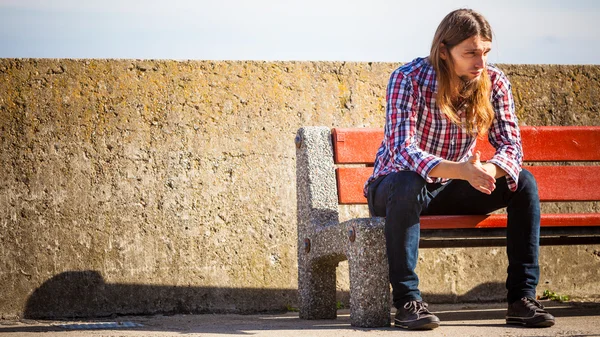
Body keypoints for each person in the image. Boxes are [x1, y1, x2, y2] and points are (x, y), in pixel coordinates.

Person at [364, 8, 555, 330]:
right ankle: (407, 301)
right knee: (409, 182)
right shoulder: (407, 78)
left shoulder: (494, 81)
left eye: (485, 53)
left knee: (522, 182)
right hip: (394, 188)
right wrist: (460, 170)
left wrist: (489, 172)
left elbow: (512, 146)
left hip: (452, 186)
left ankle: (522, 299)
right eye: (470, 54)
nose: (480, 63)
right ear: (443, 51)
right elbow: (403, 149)